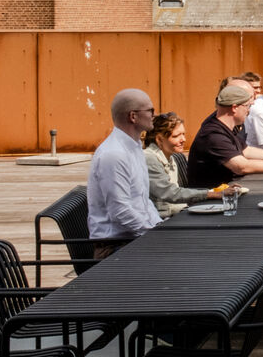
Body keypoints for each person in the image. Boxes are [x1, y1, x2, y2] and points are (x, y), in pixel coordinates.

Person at [186, 81, 263, 189]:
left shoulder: (223, 124)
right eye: (248, 106)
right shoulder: (213, 134)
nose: (249, 110)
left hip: (228, 189)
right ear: (234, 107)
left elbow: (245, 150)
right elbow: (242, 167)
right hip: (210, 200)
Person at [87, 88, 160, 258]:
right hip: (114, 247)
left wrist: (159, 226)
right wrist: (155, 234)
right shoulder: (114, 154)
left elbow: (142, 200)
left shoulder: (133, 147)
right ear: (133, 116)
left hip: (132, 238)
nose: (154, 115)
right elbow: (120, 211)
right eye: (150, 110)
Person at [143, 112, 230, 219]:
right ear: (159, 139)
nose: (183, 140)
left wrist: (216, 191)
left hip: (178, 213)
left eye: (183, 134)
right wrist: (211, 194)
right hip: (162, 221)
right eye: (176, 136)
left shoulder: (170, 156)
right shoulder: (149, 158)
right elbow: (169, 193)